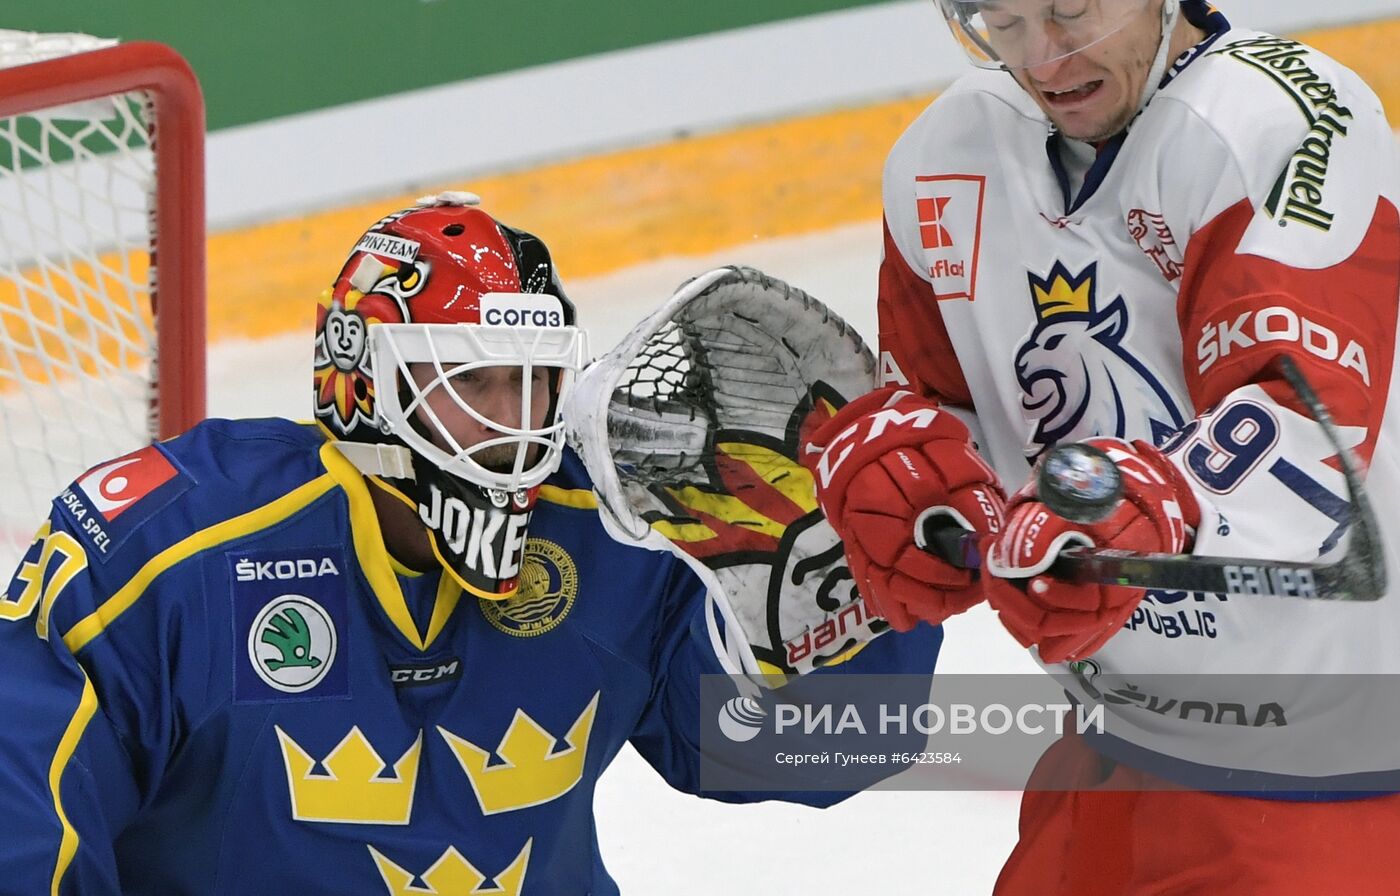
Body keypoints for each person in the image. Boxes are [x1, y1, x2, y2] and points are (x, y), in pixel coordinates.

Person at [0, 193, 940, 894]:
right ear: (361, 384)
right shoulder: (175, 554)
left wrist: (857, 590)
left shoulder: (613, 529)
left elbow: (799, 752)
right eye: (471, 383)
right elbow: (25, 810)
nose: (514, 425)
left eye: (532, 384)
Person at [802, 1, 1400, 893]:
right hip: (1111, 752)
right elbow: (939, 407)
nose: (1044, 58)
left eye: (1071, 10)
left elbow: (1306, 427)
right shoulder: (944, 159)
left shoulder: (1281, 122)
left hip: (1337, 779)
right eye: (1001, 22)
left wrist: (1151, 507)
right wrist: (920, 482)